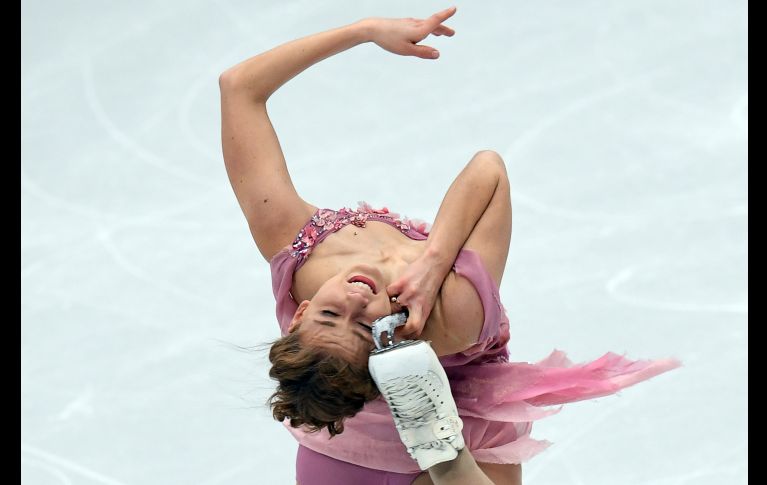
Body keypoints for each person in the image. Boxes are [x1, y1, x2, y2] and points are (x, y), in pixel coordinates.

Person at [218, 7, 681, 484]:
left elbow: (239, 88)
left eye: (332, 315)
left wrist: (364, 31)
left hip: (351, 445)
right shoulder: (450, 311)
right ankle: (445, 457)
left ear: (301, 312)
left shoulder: (300, 250)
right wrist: (434, 263)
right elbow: (489, 170)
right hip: (400, 448)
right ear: (392, 349)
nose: (355, 300)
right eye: (362, 327)